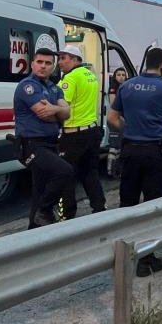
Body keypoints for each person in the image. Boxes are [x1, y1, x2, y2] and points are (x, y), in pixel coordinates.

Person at [107, 47, 162, 276]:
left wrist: (131, 131)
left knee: (128, 203)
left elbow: (112, 118)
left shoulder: (127, 86)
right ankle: (146, 260)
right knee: (153, 205)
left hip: (130, 151)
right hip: (155, 154)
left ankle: (122, 254)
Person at [13, 47, 74, 228]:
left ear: (53, 67)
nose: (43, 66)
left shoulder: (54, 88)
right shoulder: (27, 86)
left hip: (50, 144)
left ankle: (34, 230)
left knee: (39, 191)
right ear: (32, 64)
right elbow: (43, 113)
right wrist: (59, 112)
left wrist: (55, 110)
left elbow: (67, 113)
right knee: (65, 171)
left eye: (48, 63)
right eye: (39, 62)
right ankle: (44, 211)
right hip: (32, 145)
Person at [55, 46, 105, 220]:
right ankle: (99, 208)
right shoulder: (90, 75)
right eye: (60, 58)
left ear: (76, 59)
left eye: (64, 58)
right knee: (90, 172)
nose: (60, 62)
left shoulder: (69, 79)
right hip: (91, 130)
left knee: (65, 175)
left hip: (73, 134)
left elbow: (61, 107)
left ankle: (67, 216)